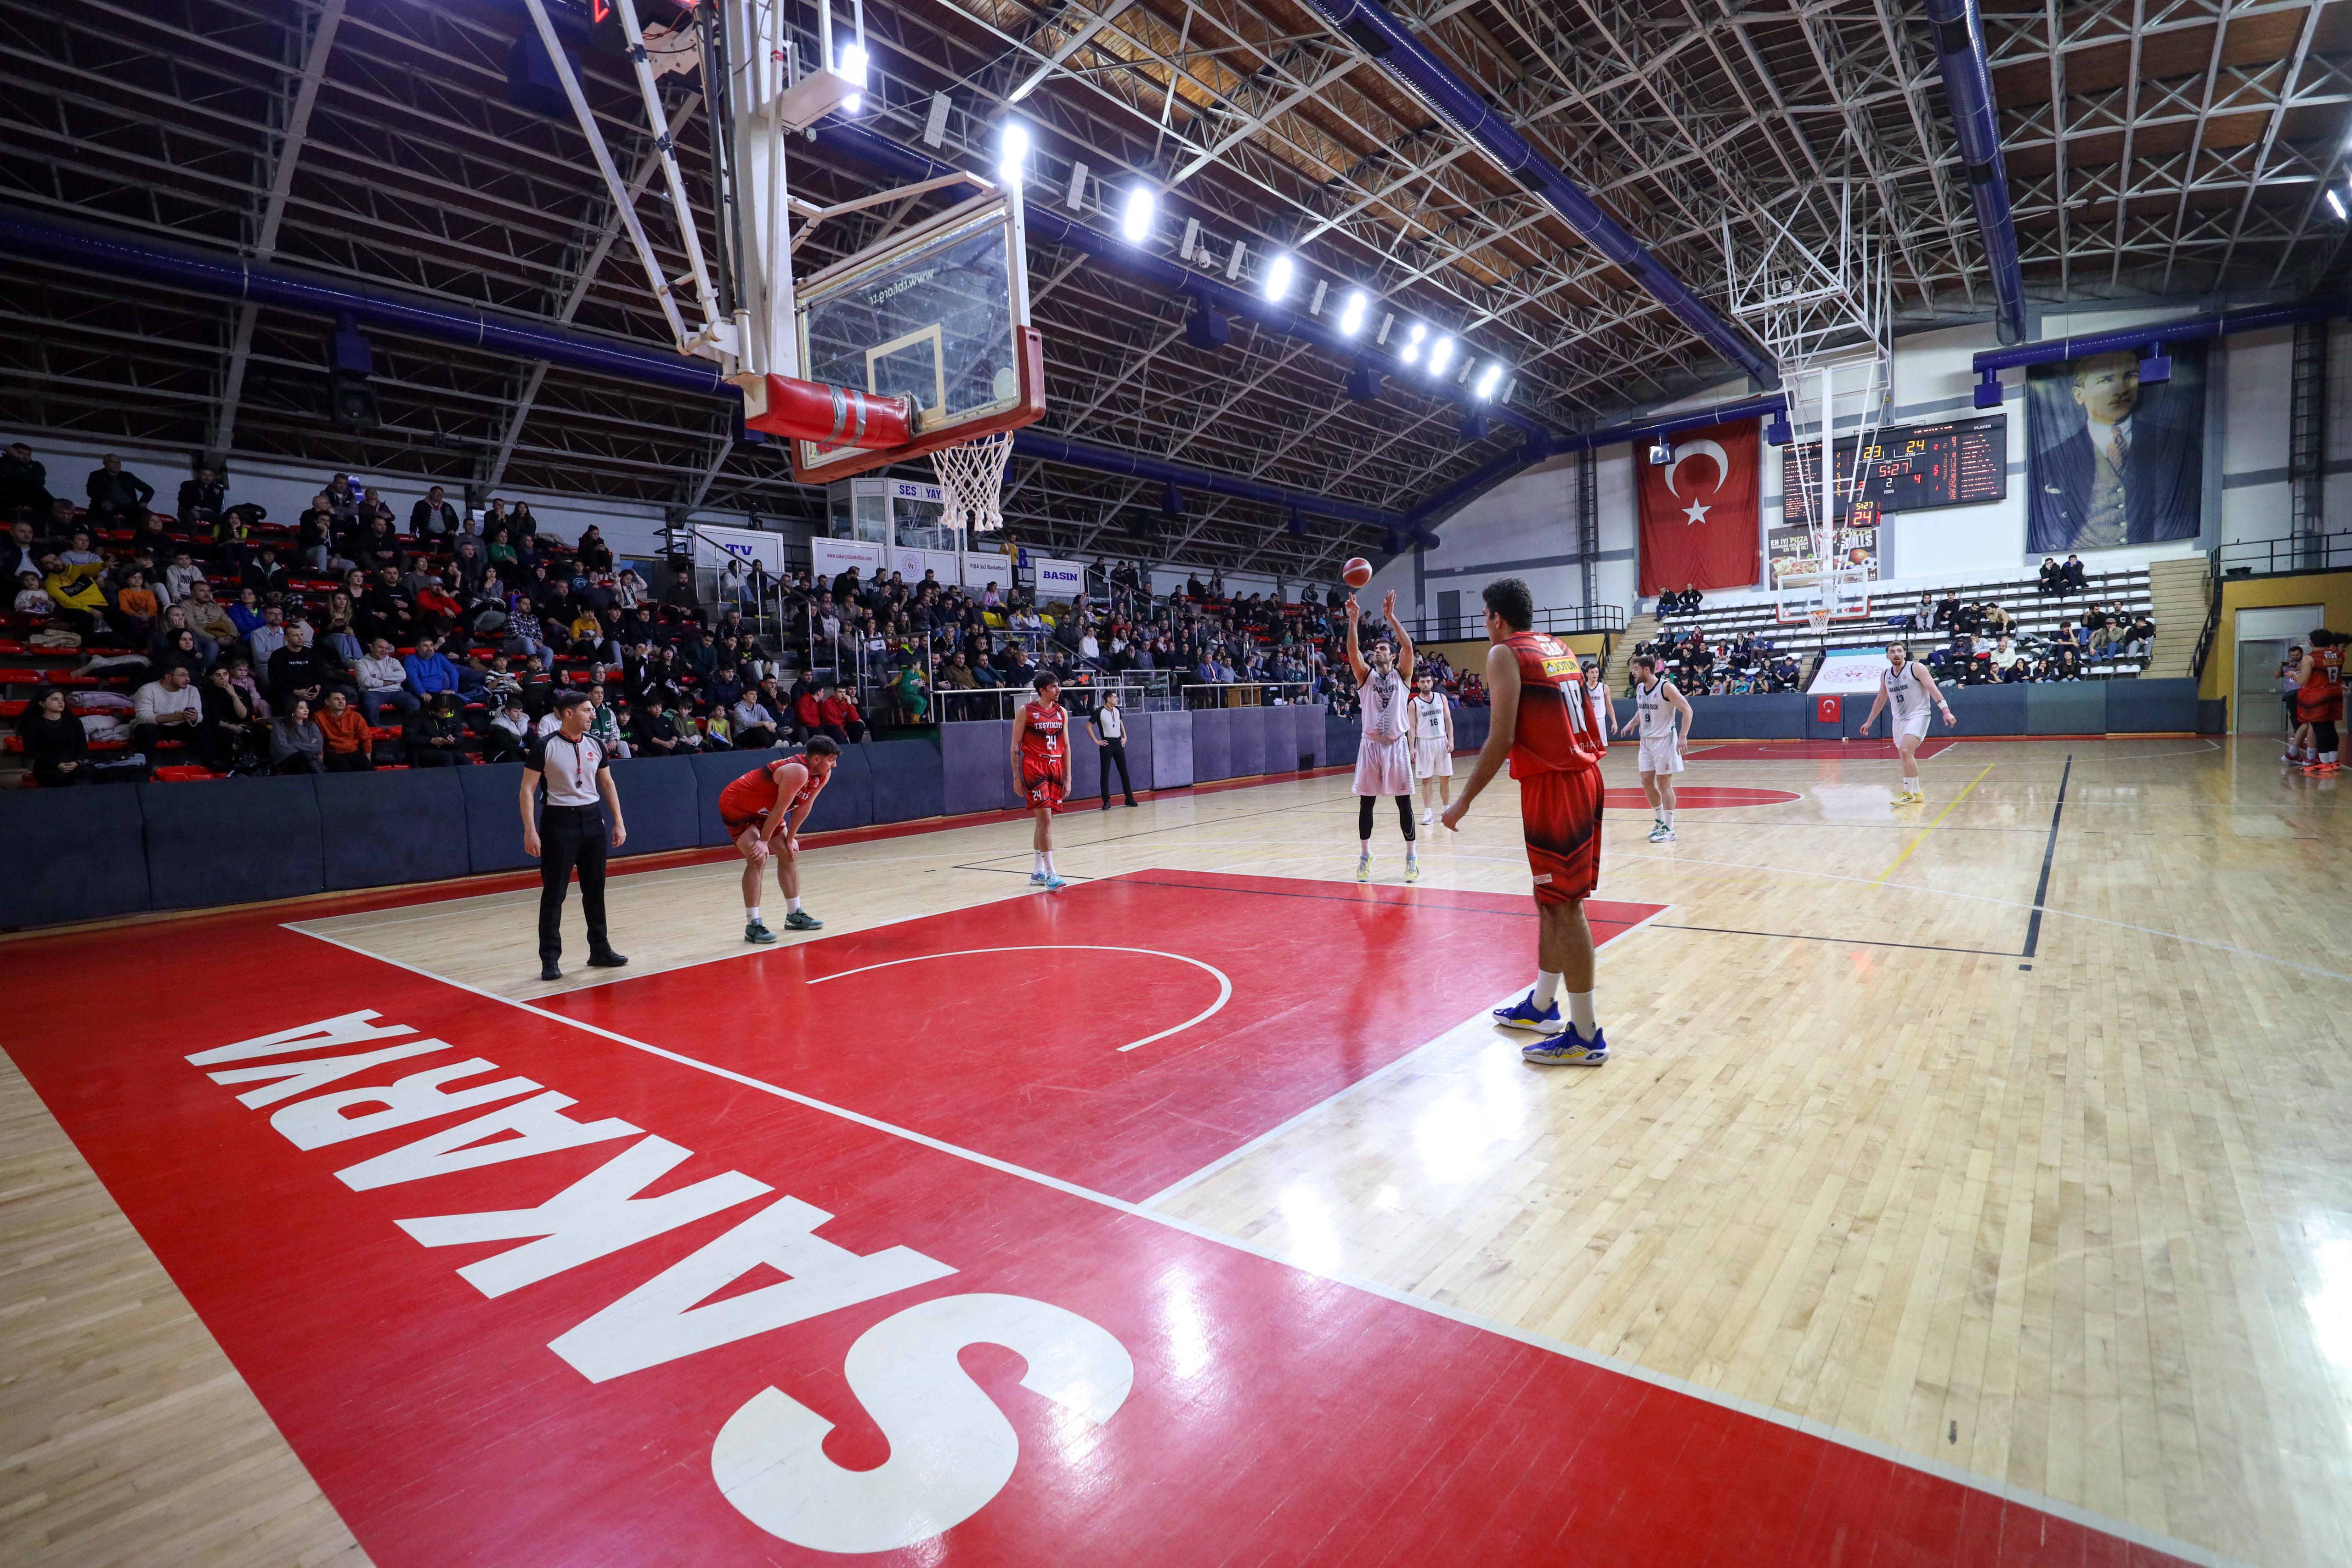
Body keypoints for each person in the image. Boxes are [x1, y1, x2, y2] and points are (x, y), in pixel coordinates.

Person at [1441, 577, 1611, 1064]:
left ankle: (1585, 1034)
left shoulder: (1503, 654)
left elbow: (1500, 738)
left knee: (1566, 905)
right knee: (1549, 897)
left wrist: (1463, 801)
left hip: (1556, 784)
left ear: (1496, 617)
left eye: (1484, 616)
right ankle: (1541, 1005)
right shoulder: (1557, 645)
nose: (1484, 625)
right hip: (1579, 774)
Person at [2029, 353, 2203, 552]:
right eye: (2106, 380)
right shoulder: (2049, 461)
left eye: (2130, 376)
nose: (2121, 389)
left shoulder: (2180, 445)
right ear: (2079, 395)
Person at [521, 691, 629, 981]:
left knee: (595, 889)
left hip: (593, 820)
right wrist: (531, 829)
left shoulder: (596, 744)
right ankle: (550, 960)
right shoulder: (544, 746)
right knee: (555, 893)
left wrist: (618, 821)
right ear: (569, 714)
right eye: (587, 710)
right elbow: (527, 790)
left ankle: (600, 950)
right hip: (559, 822)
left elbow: (607, 783)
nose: (593, 715)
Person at [718, 737, 840, 942]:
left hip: (765, 810)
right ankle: (753, 925)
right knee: (757, 858)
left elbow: (804, 807)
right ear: (817, 759)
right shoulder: (798, 771)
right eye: (832, 759)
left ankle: (794, 915)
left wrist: (791, 838)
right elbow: (780, 810)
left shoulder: (823, 774)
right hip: (737, 806)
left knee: (788, 853)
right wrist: (763, 842)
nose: (834, 765)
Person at [1346, 590, 1419, 883]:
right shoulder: (1366, 676)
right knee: (1367, 804)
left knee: (1404, 804)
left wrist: (1391, 618)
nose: (1378, 651)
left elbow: (1409, 647)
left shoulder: (1403, 675)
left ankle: (1412, 859)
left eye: (1383, 649)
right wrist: (1352, 620)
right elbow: (1353, 652)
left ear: (1392, 656)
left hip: (1397, 746)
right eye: (1375, 649)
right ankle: (1365, 856)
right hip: (1371, 745)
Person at [1859, 642, 1955, 805]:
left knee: (1905, 751)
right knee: (1906, 755)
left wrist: (1946, 711)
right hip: (1899, 719)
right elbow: (1881, 699)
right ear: (1887, 656)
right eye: (1892, 652)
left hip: (1919, 715)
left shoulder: (1916, 668)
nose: (1896, 654)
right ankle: (1917, 792)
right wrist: (1870, 721)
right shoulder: (1885, 675)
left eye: (1899, 651)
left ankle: (1907, 793)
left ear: (1905, 653)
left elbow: (1933, 689)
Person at [1617, 653, 1692, 843]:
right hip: (1646, 741)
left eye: (1635, 669)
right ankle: (1660, 822)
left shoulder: (1666, 688)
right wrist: (1632, 723)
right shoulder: (1641, 688)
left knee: (1664, 783)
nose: (1633, 672)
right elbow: (1643, 710)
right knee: (1646, 781)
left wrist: (1682, 736)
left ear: (1646, 670)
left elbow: (1688, 710)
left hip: (1664, 740)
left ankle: (1670, 828)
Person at [1009, 673, 1071, 890]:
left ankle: (1037, 871)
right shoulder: (1026, 711)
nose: (1058, 690)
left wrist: (1068, 777)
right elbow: (1015, 746)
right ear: (1042, 690)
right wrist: (1017, 777)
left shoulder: (1062, 712)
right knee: (1045, 819)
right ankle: (1051, 873)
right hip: (1034, 766)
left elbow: (1066, 746)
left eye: (1058, 686)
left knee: (1043, 821)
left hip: (1055, 766)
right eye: (1054, 687)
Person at [2294, 629, 2345, 776]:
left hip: (2318, 694)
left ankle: (2324, 763)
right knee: (2330, 727)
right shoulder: (2339, 655)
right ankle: (2334, 761)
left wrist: (2293, 675)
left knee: (2320, 729)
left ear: (2311, 642)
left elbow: (2303, 680)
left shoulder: (2310, 658)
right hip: (2335, 693)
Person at [16, 686, 90, 787]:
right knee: (58, 778)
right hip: (47, 766)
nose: (61, 703)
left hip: (73, 764)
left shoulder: (74, 722)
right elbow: (32, 751)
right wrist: (57, 765)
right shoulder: (33, 724)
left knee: (88, 773)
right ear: (42, 703)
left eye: (62, 699)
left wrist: (77, 762)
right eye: (55, 699)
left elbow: (83, 746)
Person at [1407, 670, 1454, 826]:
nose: (1426, 684)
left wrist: (1451, 739)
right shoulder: (1413, 704)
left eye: (1428, 681)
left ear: (1432, 682)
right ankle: (1428, 813)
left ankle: (1446, 810)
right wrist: (1412, 748)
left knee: (1445, 777)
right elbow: (1411, 728)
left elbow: (1448, 719)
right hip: (1424, 743)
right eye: (1422, 682)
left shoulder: (1442, 698)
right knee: (1426, 780)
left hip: (1441, 740)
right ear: (1418, 684)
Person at [131, 664, 202, 755]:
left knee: (203, 729)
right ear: (168, 677)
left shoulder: (192, 690)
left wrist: (194, 718)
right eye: (182, 675)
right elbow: (143, 718)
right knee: (145, 730)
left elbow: (199, 715)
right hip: (157, 726)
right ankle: (144, 766)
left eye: (188, 675)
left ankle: (207, 766)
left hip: (181, 726)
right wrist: (172, 718)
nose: (188, 679)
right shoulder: (147, 690)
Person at [1087, 688, 1139, 809]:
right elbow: (1088, 726)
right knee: (1105, 774)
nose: (1118, 699)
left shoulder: (1117, 710)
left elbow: (1121, 723)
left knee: (1124, 772)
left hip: (1118, 742)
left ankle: (1129, 798)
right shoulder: (1099, 712)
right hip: (1107, 743)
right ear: (1109, 699)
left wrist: (1125, 737)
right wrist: (1096, 741)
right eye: (1115, 697)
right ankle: (1106, 801)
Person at [317, 689, 373, 772]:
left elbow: (366, 739)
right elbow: (318, 742)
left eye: (343, 699)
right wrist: (321, 764)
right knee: (344, 771)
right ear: (327, 702)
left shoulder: (355, 716)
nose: (341, 702)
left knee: (369, 769)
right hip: (332, 752)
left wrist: (368, 760)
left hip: (353, 751)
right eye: (337, 699)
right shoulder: (318, 717)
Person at [270, 696, 326, 775]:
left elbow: (318, 747)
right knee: (304, 757)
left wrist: (294, 744)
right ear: (292, 711)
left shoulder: (312, 726)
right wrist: (309, 746)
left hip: (309, 761)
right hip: (286, 760)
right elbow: (282, 748)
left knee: (305, 764)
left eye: (306, 707)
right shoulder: (280, 726)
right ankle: (322, 776)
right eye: (301, 708)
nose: (306, 710)